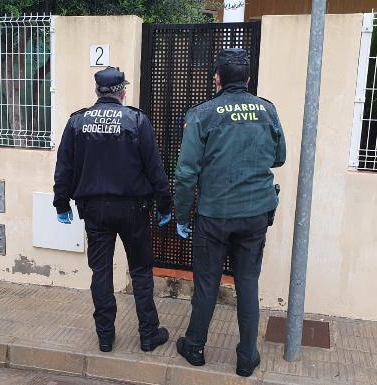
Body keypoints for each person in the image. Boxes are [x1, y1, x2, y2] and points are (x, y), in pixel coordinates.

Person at [174, 49, 286, 377]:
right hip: (255, 214)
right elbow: (279, 157)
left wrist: (181, 215)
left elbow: (185, 173)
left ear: (217, 79)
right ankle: (247, 357)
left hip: (215, 214)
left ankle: (194, 347)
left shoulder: (203, 114)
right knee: (248, 283)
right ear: (248, 79)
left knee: (207, 283)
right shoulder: (267, 110)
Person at [53, 66, 171, 353]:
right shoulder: (136, 120)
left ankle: (105, 337)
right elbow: (154, 167)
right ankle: (148, 335)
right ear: (122, 92)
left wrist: (61, 202)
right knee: (141, 271)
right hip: (134, 209)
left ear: (97, 91)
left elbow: (64, 166)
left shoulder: (77, 121)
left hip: (95, 210)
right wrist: (165, 204)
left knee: (101, 273)